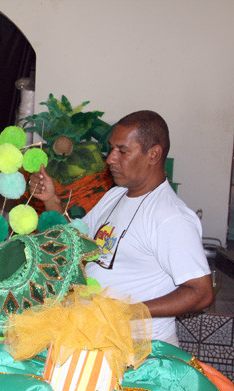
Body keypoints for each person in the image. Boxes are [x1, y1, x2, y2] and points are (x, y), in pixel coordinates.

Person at [29, 110, 214, 346]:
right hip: (97, 336)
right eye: (111, 149)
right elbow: (78, 242)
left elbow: (201, 292)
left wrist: (129, 312)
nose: (110, 159)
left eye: (122, 151)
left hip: (141, 348)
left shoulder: (170, 217)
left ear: (154, 154)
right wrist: (51, 200)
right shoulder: (115, 195)